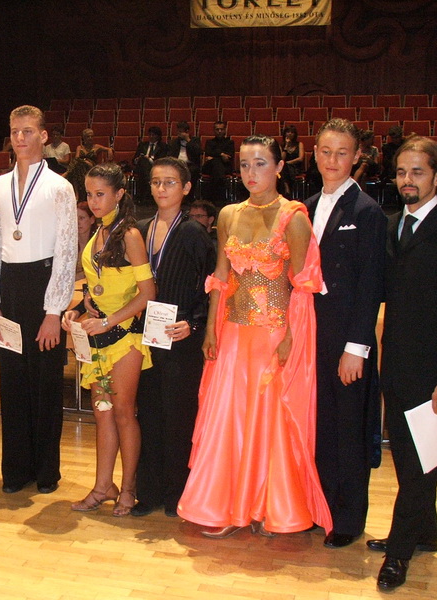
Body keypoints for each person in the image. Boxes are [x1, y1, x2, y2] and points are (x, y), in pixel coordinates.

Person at [177, 136, 333, 539]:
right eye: (245, 165)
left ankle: (266, 507)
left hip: (273, 335)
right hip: (233, 333)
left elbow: (303, 286)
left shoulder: (294, 217)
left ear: (279, 167)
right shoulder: (229, 214)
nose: (251, 172)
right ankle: (227, 506)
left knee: (267, 422)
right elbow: (221, 277)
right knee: (229, 419)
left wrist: (291, 338)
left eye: (261, 163)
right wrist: (210, 328)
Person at [369, 137, 437, 591]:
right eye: (401, 172)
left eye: (417, 172)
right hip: (396, 367)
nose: (407, 180)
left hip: (434, 375)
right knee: (411, 460)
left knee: (419, 467)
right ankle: (424, 533)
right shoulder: (391, 226)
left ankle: (398, 553)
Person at [0, 105, 77, 495]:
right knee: (13, 381)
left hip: (44, 285)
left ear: (43, 136)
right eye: (15, 132)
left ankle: (46, 472)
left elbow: (67, 251)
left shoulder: (60, 187)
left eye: (27, 131)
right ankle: (16, 470)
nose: (20, 138)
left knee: (45, 383)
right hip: (9, 286)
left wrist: (54, 311)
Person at [305, 119, 387, 548]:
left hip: (347, 342)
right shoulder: (305, 206)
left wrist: (357, 348)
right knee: (318, 426)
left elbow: (371, 284)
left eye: (341, 153)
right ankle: (320, 509)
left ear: (357, 157)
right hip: (310, 337)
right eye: (325, 151)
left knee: (348, 430)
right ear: (314, 154)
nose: (332, 160)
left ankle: (348, 520)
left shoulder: (367, 212)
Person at [62, 163, 155, 516]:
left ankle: (128, 488)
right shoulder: (98, 232)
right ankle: (103, 486)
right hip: (98, 335)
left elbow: (148, 292)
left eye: (101, 194)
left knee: (123, 413)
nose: (94, 201)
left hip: (126, 336)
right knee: (102, 413)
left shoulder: (129, 234)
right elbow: (99, 284)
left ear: (119, 194)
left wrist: (109, 320)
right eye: (89, 194)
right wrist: (82, 306)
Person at [132, 157, 216, 518]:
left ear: (186, 188)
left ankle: (177, 495)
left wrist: (195, 324)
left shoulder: (194, 233)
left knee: (178, 416)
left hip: (180, 336)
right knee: (148, 413)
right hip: (145, 335)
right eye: (155, 182)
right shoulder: (139, 230)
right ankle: (148, 492)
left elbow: (212, 286)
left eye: (169, 182)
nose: (161, 188)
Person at [68, 128, 113, 202]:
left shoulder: (97, 146)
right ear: (84, 138)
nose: (90, 138)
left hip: (92, 168)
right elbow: (76, 159)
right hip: (81, 168)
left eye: (92, 136)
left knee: (76, 169)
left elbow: (108, 149)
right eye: (88, 136)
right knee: (78, 167)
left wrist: (110, 150)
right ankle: (78, 194)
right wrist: (85, 161)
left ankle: (76, 193)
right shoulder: (79, 147)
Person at [132, 126, 168, 203]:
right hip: (141, 167)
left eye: (153, 135)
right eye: (150, 135)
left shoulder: (163, 146)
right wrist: (137, 159)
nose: (151, 137)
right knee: (143, 162)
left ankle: (143, 195)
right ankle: (148, 191)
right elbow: (134, 159)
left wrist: (149, 159)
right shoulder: (142, 145)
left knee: (146, 166)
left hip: (155, 166)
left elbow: (162, 160)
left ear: (158, 136)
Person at [202, 121, 234, 204]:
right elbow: (208, 152)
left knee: (216, 163)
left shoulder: (230, 142)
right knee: (216, 164)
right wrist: (221, 154)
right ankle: (220, 198)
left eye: (221, 129)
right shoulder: (209, 142)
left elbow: (229, 157)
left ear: (225, 130)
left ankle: (212, 198)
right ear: (214, 130)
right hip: (210, 168)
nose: (219, 131)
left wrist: (214, 155)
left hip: (225, 167)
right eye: (217, 129)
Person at [167, 122, 202, 198]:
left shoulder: (195, 140)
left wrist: (188, 140)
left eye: (181, 131)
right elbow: (170, 155)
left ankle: (189, 196)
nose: (179, 134)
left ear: (187, 132)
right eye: (178, 131)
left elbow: (198, 152)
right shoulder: (174, 142)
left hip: (190, 164)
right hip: (177, 164)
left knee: (192, 171)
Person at [280, 125, 304, 197]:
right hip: (285, 169)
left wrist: (289, 162)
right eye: (288, 132)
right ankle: (287, 188)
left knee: (284, 166)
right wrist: (286, 146)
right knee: (283, 167)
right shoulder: (282, 145)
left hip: (296, 168)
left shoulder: (299, 144)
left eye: (292, 132)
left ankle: (287, 189)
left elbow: (300, 158)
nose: (290, 134)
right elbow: (282, 159)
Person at [75, 201, 96, 281]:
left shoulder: (98, 243)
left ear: (92, 220)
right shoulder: (69, 245)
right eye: (75, 218)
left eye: (81, 218)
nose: (77, 222)